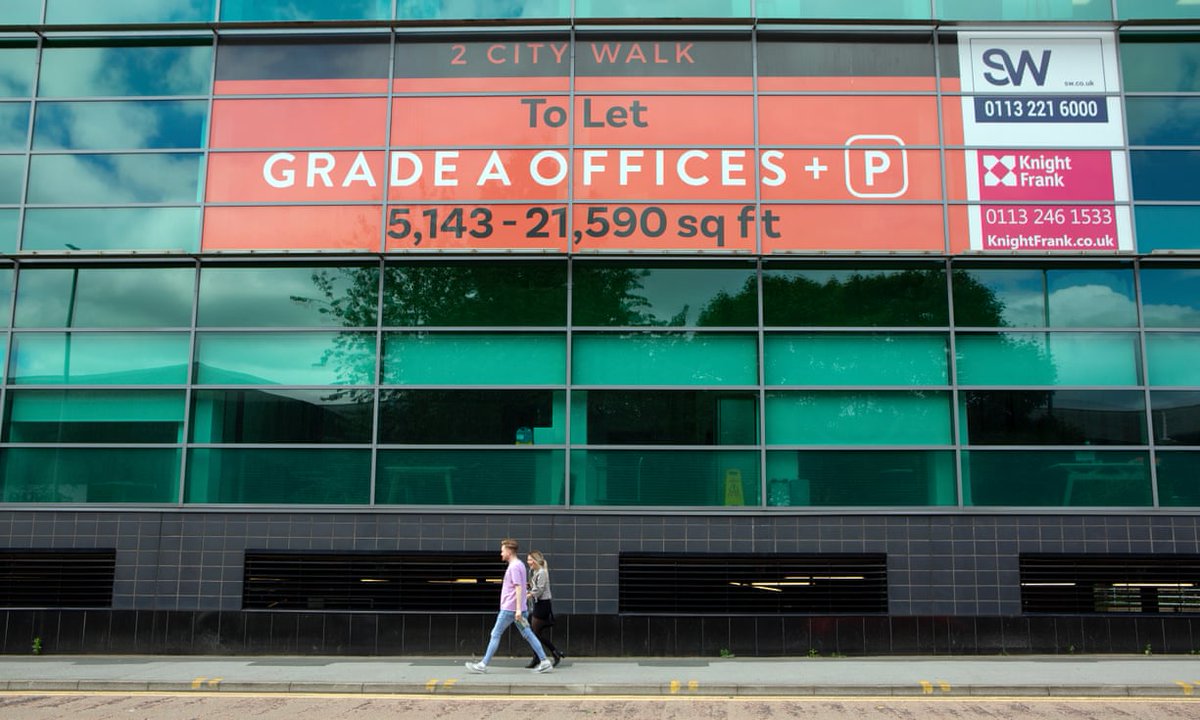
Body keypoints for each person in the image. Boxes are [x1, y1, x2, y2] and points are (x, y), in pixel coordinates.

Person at [465, 538, 553, 674]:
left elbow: (518, 587)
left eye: (502, 550)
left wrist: (518, 609)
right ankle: (545, 661)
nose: (501, 553)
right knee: (528, 634)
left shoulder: (515, 566)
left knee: (495, 633)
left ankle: (482, 665)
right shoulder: (519, 565)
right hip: (516, 609)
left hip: (510, 609)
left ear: (509, 551)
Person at [524, 550, 564, 668]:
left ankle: (551, 653)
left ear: (536, 560)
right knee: (536, 634)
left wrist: (529, 594)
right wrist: (530, 586)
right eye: (528, 559)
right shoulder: (535, 571)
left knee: (534, 633)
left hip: (542, 605)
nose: (528, 562)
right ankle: (550, 654)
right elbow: (536, 587)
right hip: (539, 604)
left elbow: (540, 590)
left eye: (530, 559)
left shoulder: (542, 572)